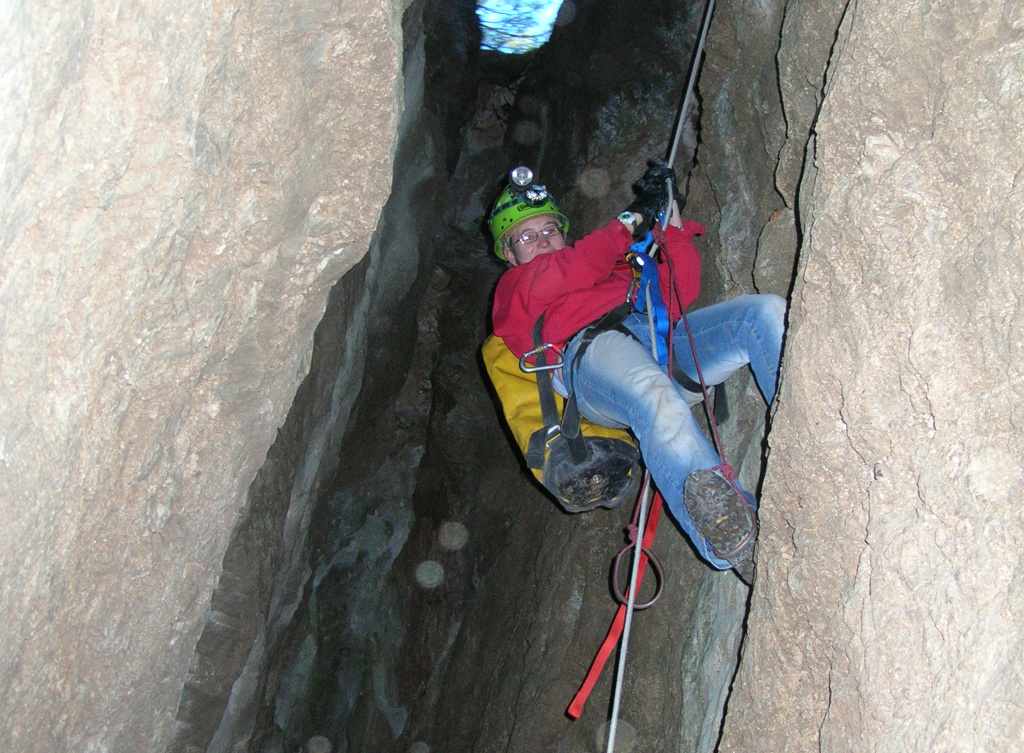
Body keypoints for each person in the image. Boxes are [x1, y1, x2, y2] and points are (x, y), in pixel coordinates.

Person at [487, 166, 786, 582]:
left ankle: (809, 437)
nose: (542, 241)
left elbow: (678, 292)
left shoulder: (611, 271)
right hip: (591, 359)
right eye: (526, 236)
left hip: (659, 343)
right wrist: (629, 221)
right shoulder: (515, 289)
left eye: (550, 230)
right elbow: (566, 272)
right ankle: (735, 543)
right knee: (652, 393)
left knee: (763, 314)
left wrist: (671, 225)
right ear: (509, 255)